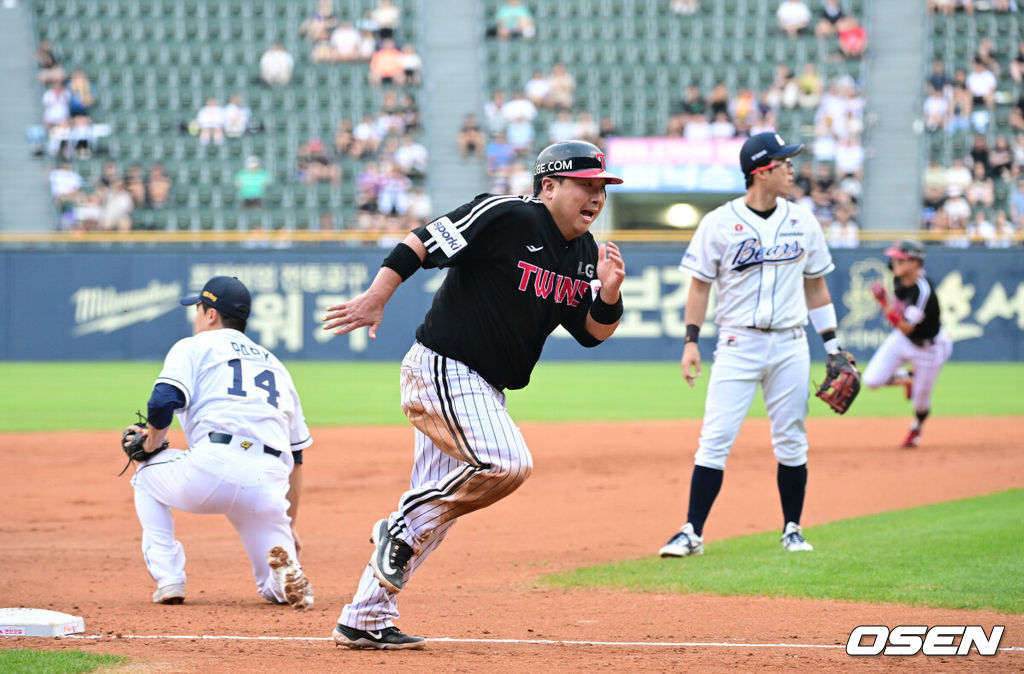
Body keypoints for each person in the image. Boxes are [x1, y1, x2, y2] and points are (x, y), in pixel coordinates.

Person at [321, 140, 626, 649]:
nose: (596, 197)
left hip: (484, 389)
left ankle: (364, 617)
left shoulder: (586, 254)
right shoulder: (507, 216)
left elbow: (591, 333)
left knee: (438, 514)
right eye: (585, 185)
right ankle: (396, 530)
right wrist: (377, 295)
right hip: (443, 368)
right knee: (506, 463)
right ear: (548, 185)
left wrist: (610, 294)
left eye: (601, 189)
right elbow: (421, 242)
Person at [658, 131, 844, 559]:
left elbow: (816, 287)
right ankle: (692, 531)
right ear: (762, 171)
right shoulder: (718, 223)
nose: (792, 169)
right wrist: (691, 342)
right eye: (784, 163)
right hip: (737, 342)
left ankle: (792, 528)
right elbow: (700, 287)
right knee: (716, 438)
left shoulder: (803, 221)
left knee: (792, 439)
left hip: (791, 344)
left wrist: (832, 345)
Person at [125, 276, 314, 608]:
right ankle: (284, 578)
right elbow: (297, 460)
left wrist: (152, 444)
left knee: (145, 476)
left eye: (198, 308)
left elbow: (161, 401)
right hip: (268, 479)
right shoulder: (276, 366)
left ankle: (169, 579)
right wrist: (288, 522)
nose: (196, 316)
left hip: (212, 467)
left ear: (211, 314)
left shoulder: (194, 346)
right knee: (273, 590)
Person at [863, 242, 953, 448]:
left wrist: (883, 302)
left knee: (921, 403)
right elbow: (903, 331)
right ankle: (910, 377)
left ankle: (916, 428)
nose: (894, 263)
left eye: (901, 259)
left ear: (916, 262)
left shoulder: (923, 291)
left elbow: (906, 327)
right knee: (871, 380)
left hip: (929, 348)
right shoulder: (899, 274)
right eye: (894, 259)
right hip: (903, 341)